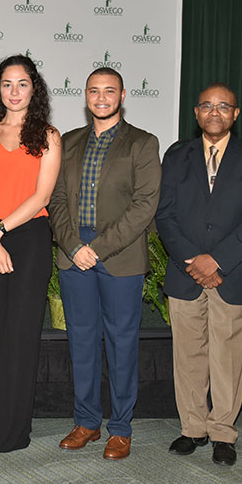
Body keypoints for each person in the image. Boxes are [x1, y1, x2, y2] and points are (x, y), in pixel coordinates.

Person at [155, 83, 242, 466]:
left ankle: (223, 431)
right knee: (188, 356)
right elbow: (165, 215)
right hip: (185, 273)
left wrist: (216, 261)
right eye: (207, 106)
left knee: (228, 358)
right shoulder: (176, 158)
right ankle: (192, 428)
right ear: (196, 113)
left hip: (233, 275)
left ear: (235, 114)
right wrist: (194, 261)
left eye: (223, 107)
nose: (214, 112)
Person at [49, 68, 161, 460]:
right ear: (85, 95)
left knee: (121, 344)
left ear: (122, 95)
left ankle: (121, 428)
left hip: (119, 258)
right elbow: (57, 199)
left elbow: (145, 205)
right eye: (94, 91)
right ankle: (87, 422)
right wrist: (73, 244)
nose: (101, 97)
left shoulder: (143, 144)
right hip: (72, 255)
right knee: (81, 343)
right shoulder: (68, 142)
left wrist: (96, 248)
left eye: (109, 91)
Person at [0, 54, 61, 453]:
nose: (14, 91)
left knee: (22, 336)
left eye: (22, 84)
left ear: (34, 89)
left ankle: (15, 431)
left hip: (28, 239)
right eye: (7, 84)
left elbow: (42, 196)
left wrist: (0, 232)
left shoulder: (49, 136)